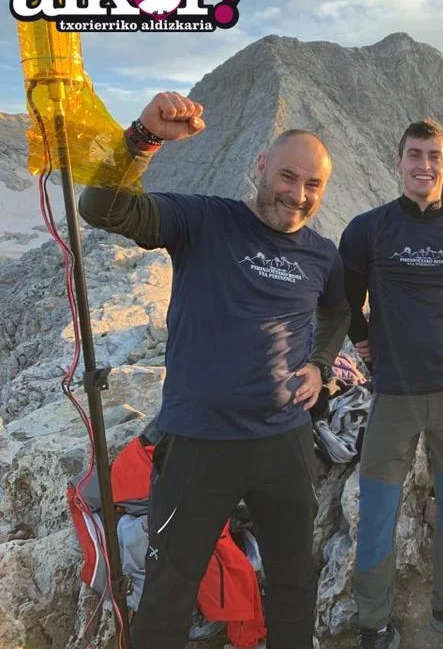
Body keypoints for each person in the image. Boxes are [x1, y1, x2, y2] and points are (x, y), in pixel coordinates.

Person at [77, 91, 350, 648]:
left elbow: (339, 311)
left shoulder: (322, 254)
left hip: (283, 441)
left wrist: (320, 364)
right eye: (288, 176)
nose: (298, 195)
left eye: (313, 184)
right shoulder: (203, 220)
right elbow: (101, 208)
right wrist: (142, 139)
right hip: (198, 441)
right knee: (170, 587)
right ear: (261, 166)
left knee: (294, 579)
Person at [339, 119, 443, 649]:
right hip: (394, 397)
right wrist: (363, 340)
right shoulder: (368, 229)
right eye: (414, 155)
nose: (424, 165)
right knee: (378, 512)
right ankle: (374, 623)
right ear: (398, 162)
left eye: (434, 156)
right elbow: (346, 298)